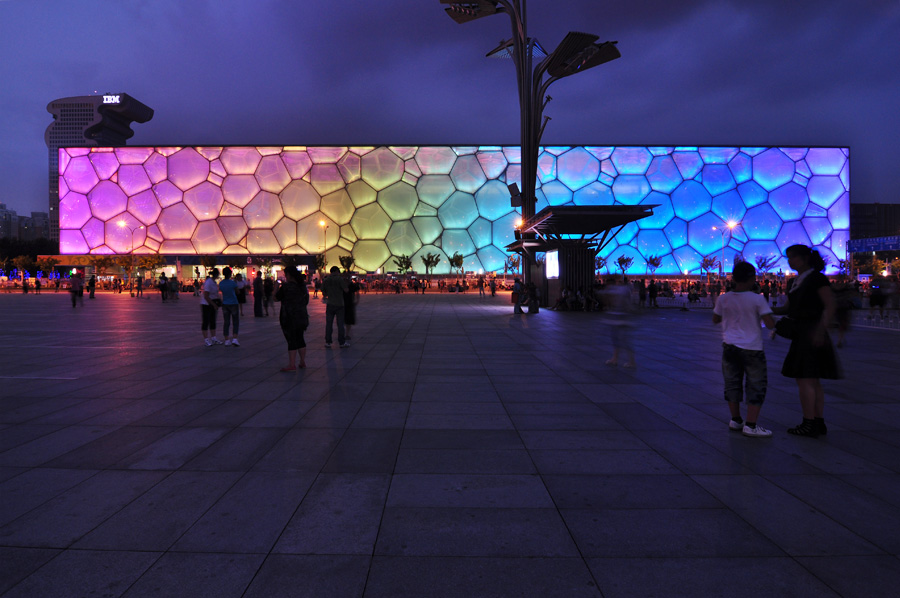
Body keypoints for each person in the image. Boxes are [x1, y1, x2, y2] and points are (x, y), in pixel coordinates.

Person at [773, 244, 841, 437]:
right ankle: (817, 422)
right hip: (802, 333)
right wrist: (765, 309)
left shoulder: (817, 278)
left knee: (806, 380)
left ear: (804, 258)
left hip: (812, 332)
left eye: (793, 257)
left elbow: (830, 305)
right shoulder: (796, 281)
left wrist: (821, 330)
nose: (789, 261)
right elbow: (788, 308)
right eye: (788, 257)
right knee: (811, 380)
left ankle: (809, 422)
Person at [712, 262, 777, 437]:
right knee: (756, 384)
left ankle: (736, 420)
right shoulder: (757, 299)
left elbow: (715, 319)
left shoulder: (724, 298)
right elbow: (770, 324)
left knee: (732, 383)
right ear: (752, 278)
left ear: (733, 278)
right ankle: (751, 425)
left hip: (730, 347)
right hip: (752, 348)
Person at [277, 267, 310, 371]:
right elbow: (306, 301)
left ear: (289, 275)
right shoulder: (302, 287)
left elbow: (275, 298)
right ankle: (302, 361)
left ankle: (292, 364)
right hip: (302, 316)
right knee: (300, 338)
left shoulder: (286, 287)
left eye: (286, 275)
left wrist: (275, 287)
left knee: (291, 340)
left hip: (289, 317)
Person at [603, 278, 636, 368]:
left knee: (622, 339)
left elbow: (619, 303)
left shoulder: (618, 291)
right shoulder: (622, 290)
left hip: (620, 318)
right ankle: (615, 359)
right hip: (619, 318)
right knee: (617, 339)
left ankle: (630, 361)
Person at [322, 266, 349, 348]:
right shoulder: (339, 279)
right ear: (337, 271)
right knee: (340, 324)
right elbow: (346, 290)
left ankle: (328, 342)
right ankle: (341, 342)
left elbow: (323, 292)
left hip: (330, 304)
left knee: (329, 324)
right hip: (339, 304)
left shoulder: (326, 280)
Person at [201, 268, 223, 347]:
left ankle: (213, 338)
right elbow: (206, 296)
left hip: (213, 303)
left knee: (213, 321)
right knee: (206, 321)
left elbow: (215, 294)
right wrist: (213, 304)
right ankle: (206, 339)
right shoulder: (208, 282)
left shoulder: (214, 282)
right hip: (206, 304)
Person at [219, 267, 240, 347]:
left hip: (225, 303)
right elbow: (237, 292)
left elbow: (221, 291)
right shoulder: (233, 283)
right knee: (235, 321)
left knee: (226, 322)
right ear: (230, 274)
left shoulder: (221, 283)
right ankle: (235, 338)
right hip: (233, 303)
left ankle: (227, 339)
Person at [344, 276, 360, 340]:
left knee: (349, 320)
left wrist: (357, 300)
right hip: (343, 303)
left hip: (349, 304)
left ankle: (347, 334)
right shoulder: (342, 284)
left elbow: (357, 292)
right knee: (343, 320)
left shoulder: (352, 285)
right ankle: (344, 333)